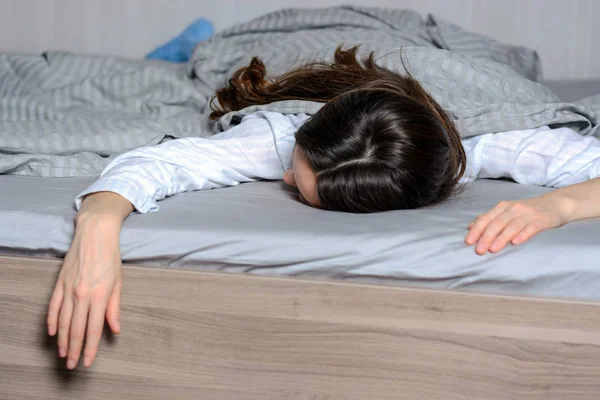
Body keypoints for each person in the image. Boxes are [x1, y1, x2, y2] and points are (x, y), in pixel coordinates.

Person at [47, 46, 600, 371]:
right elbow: (162, 164)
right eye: (296, 167)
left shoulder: (487, 143)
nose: (284, 175)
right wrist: (98, 222)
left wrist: (558, 205)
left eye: (297, 188)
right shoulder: (282, 135)